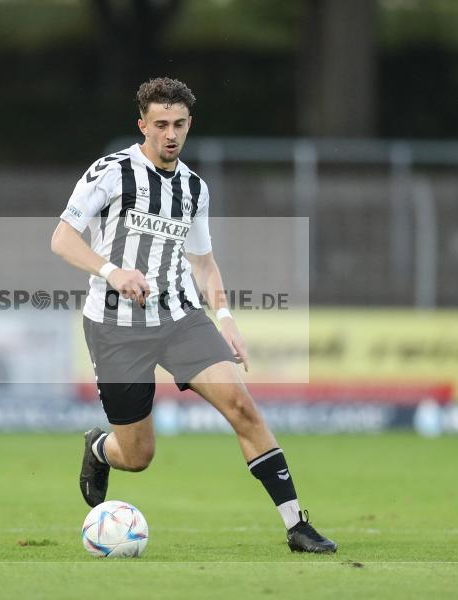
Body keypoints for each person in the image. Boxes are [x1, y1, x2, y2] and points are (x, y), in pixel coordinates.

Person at [51, 77, 336, 553]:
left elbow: (202, 262)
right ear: (141, 124)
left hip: (180, 318)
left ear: (189, 125)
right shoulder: (110, 172)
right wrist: (112, 270)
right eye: (160, 124)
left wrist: (225, 317)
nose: (170, 134)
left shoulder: (193, 189)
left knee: (243, 409)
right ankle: (101, 448)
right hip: (115, 328)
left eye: (179, 124)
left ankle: (296, 526)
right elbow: (61, 238)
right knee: (138, 456)